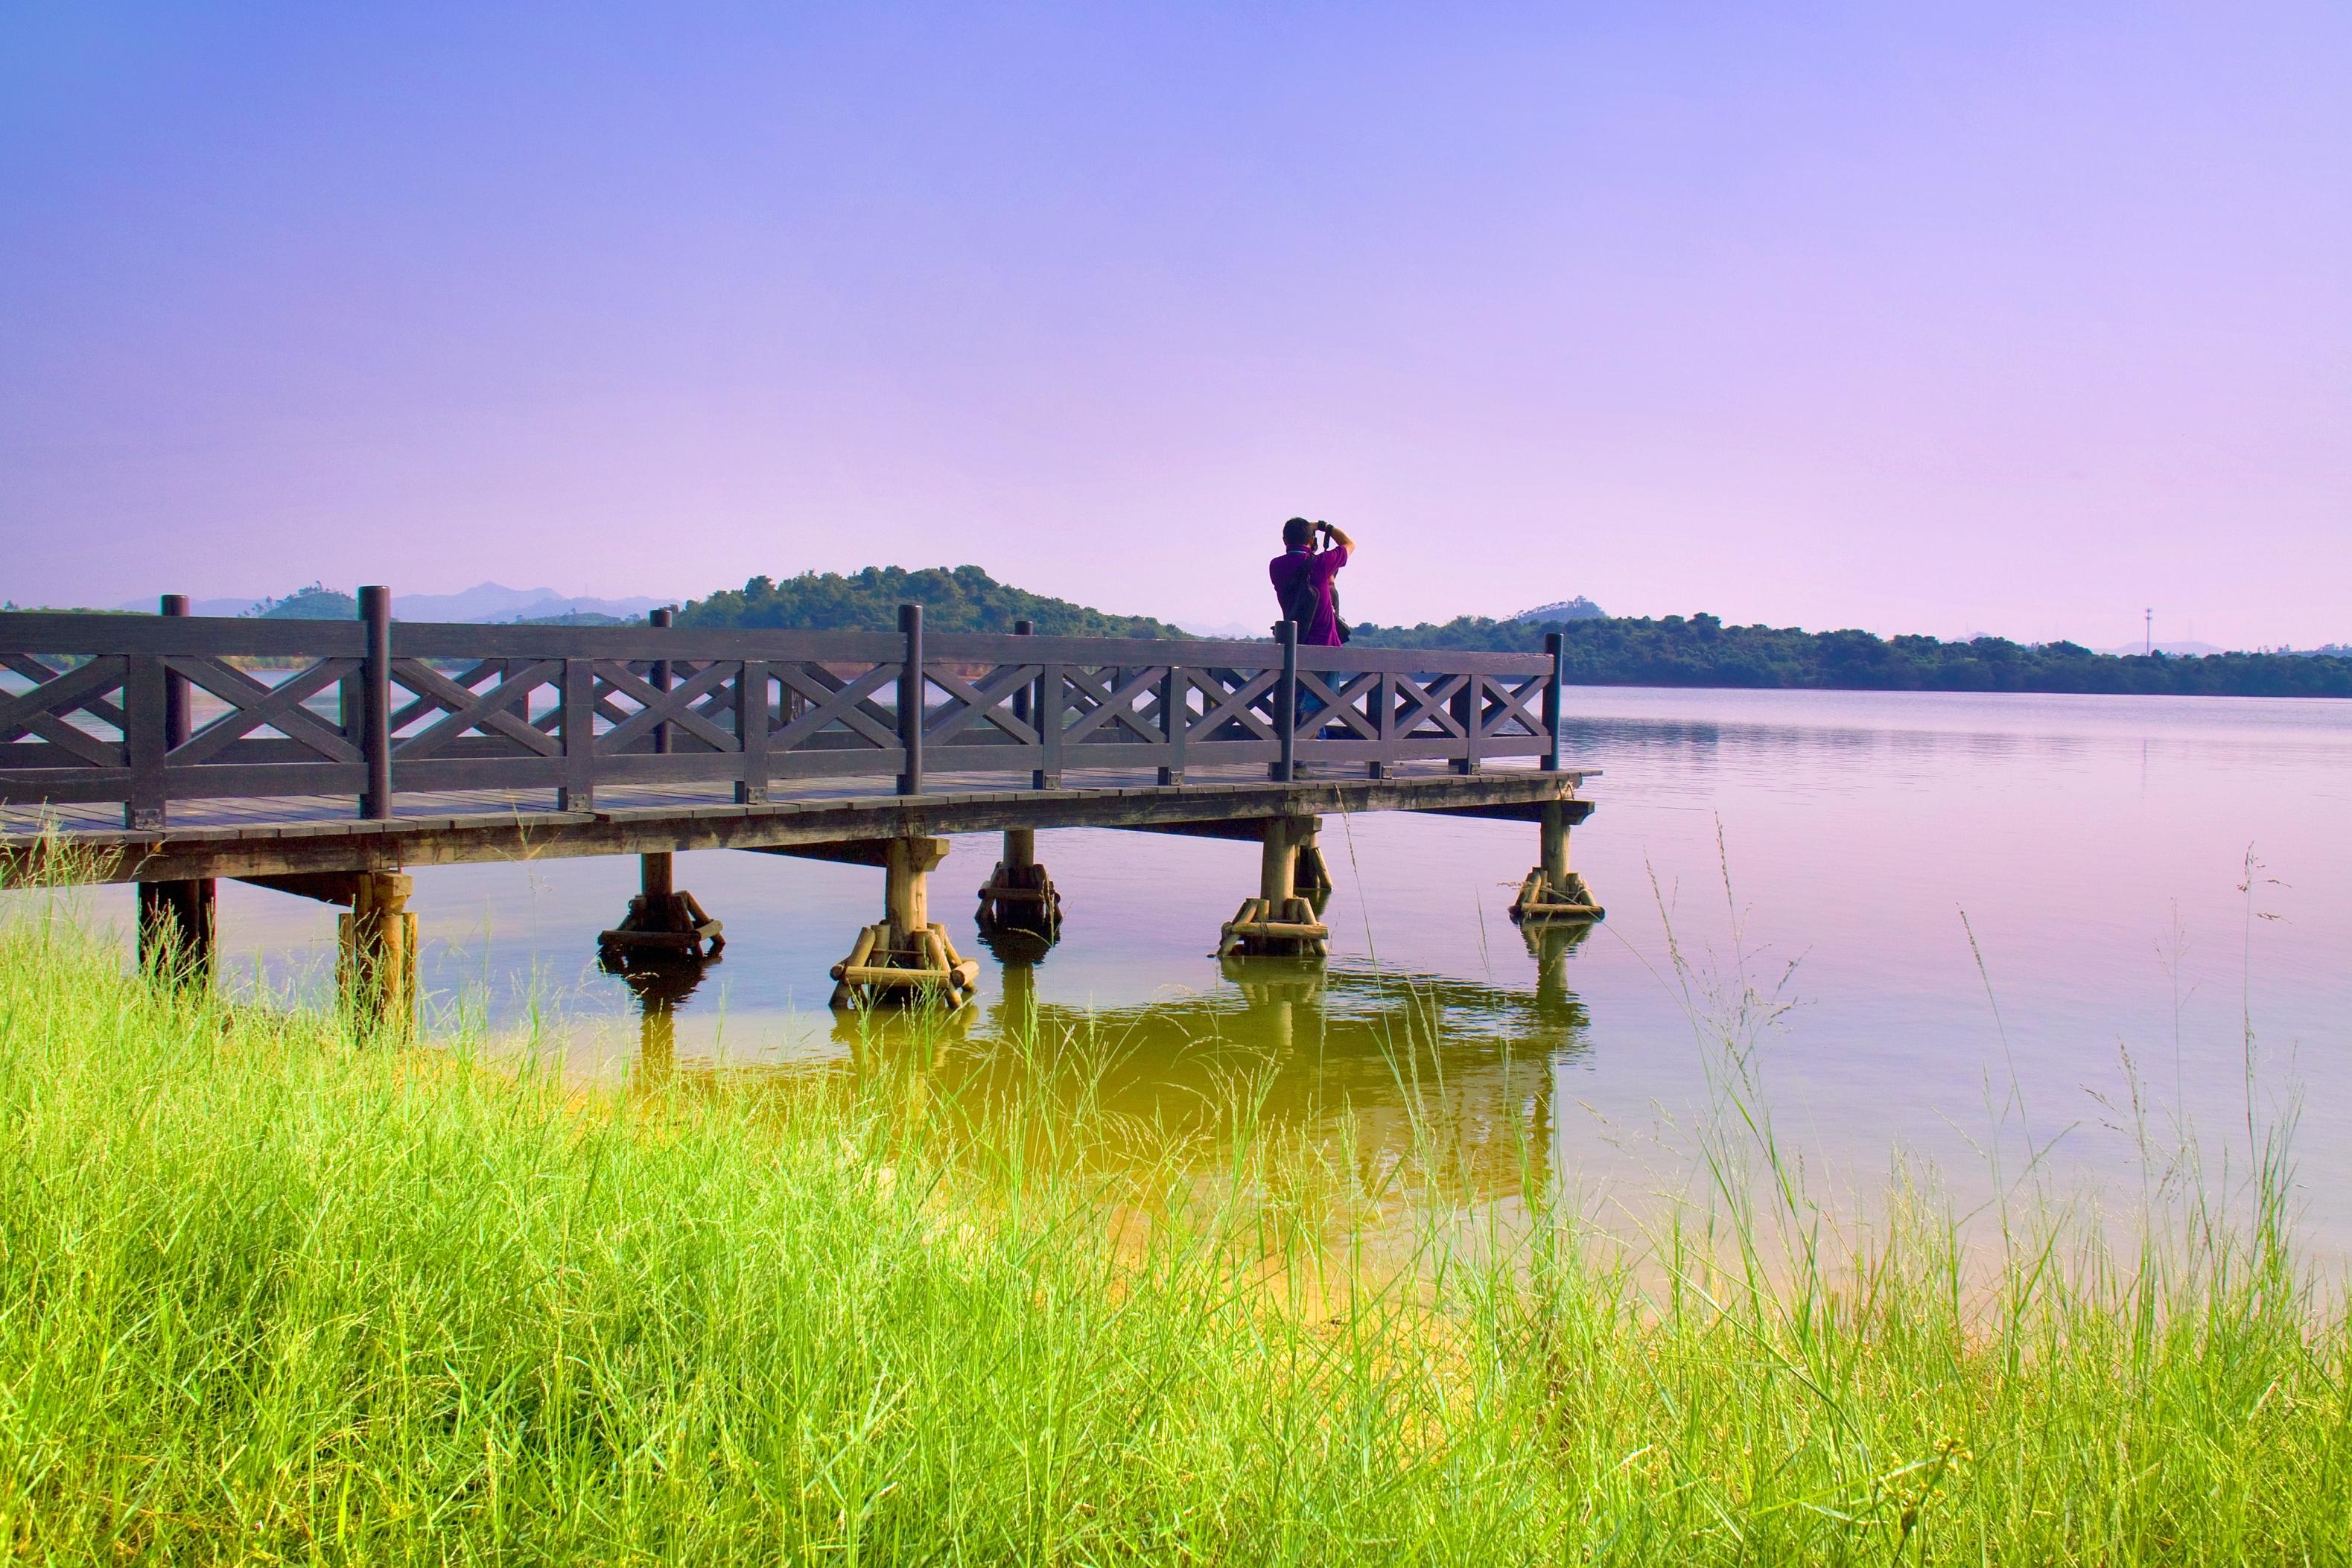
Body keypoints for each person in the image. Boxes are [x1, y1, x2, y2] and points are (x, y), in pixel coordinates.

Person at [1268, 516, 1354, 646]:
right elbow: (1349, 544)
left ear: (1284, 540)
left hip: (1295, 645)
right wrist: (1323, 526)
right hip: (1326, 645)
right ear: (1311, 539)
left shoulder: (1275, 566)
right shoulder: (1322, 563)